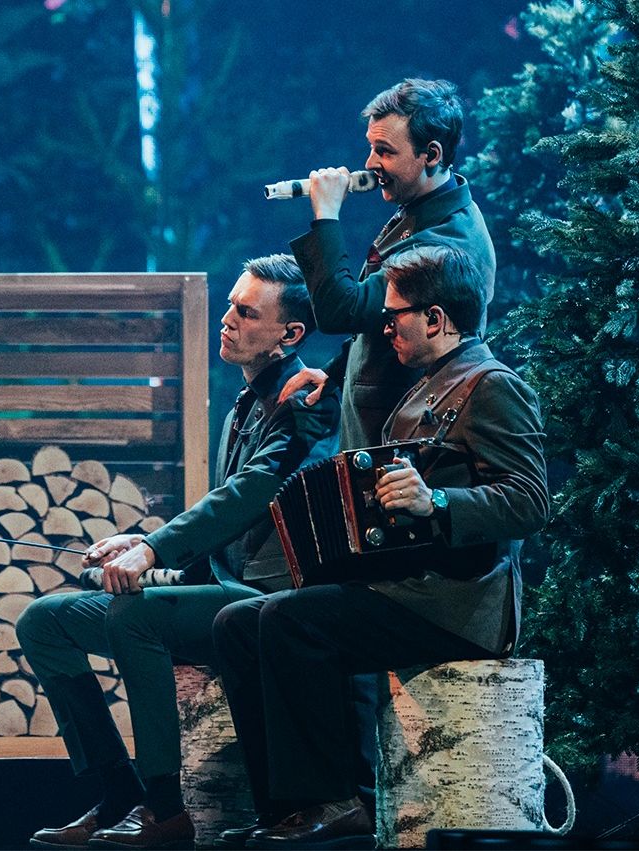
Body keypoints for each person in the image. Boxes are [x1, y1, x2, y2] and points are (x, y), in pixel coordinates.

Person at [211, 245, 548, 849]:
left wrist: (436, 501)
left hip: (454, 607)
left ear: (436, 319)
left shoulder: (492, 385)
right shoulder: (424, 387)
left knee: (291, 620)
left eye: (395, 316)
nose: (384, 327)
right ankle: (283, 808)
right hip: (404, 589)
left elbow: (529, 501)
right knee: (237, 622)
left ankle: (336, 801)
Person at [16, 254, 340, 850]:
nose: (228, 320)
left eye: (248, 313)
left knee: (134, 615)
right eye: (231, 306)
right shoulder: (245, 404)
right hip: (221, 591)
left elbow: (252, 494)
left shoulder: (307, 401)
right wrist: (146, 549)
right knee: (44, 621)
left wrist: (151, 549)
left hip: (267, 601)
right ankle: (118, 792)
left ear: (289, 334)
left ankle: (165, 808)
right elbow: (222, 520)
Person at [281, 77, 497, 450]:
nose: (370, 163)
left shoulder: (444, 240)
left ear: (431, 154)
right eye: (371, 148)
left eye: (385, 151)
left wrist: (326, 215)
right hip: (382, 434)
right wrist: (336, 373)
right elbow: (378, 318)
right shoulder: (422, 210)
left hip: (403, 445)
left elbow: (342, 311)